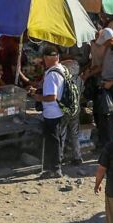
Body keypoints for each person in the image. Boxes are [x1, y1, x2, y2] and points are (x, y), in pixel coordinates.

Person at [35, 46, 69, 179]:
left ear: (46, 58)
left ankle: (54, 169)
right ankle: (57, 166)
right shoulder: (62, 69)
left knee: (52, 141)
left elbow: (51, 97)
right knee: (59, 139)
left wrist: (39, 98)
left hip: (52, 112)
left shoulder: (52, 74)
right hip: (62, 110)